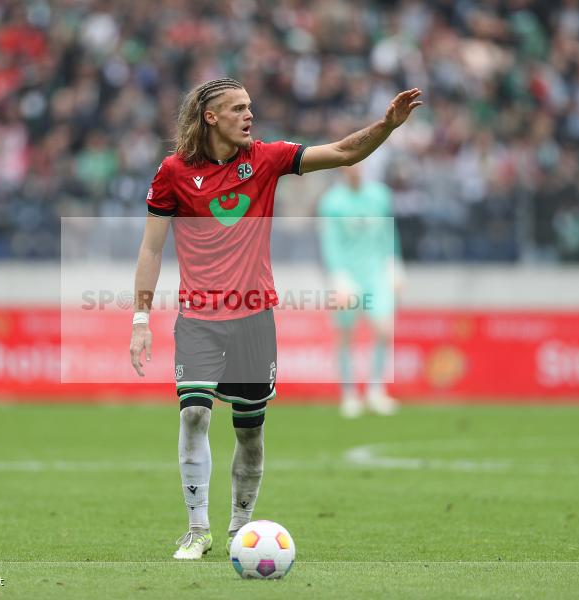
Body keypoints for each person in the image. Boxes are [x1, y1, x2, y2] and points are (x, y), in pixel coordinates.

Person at [129, 78, 421, 559]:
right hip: (199, 316)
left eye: (250, 107)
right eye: (239, 108)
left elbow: (345, 153)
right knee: (196, 413)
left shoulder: (266, 158)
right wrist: (140, 319)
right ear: (211, 117)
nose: (249, 115)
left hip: (253, 317)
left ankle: (239, 528)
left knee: (249, 430)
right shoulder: (173, 172)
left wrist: (386, 126)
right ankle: (197, 528)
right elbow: (150, 248)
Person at [318, 163, 403, 418]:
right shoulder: (331, 201)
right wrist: (337, 276)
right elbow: (329, 240)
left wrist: (394, 262)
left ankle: (376, 390)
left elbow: (389, 233)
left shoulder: (380, 195)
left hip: (376, 272)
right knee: (345, 333)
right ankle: (349, 393)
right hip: (346, 274)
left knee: (384, 329)